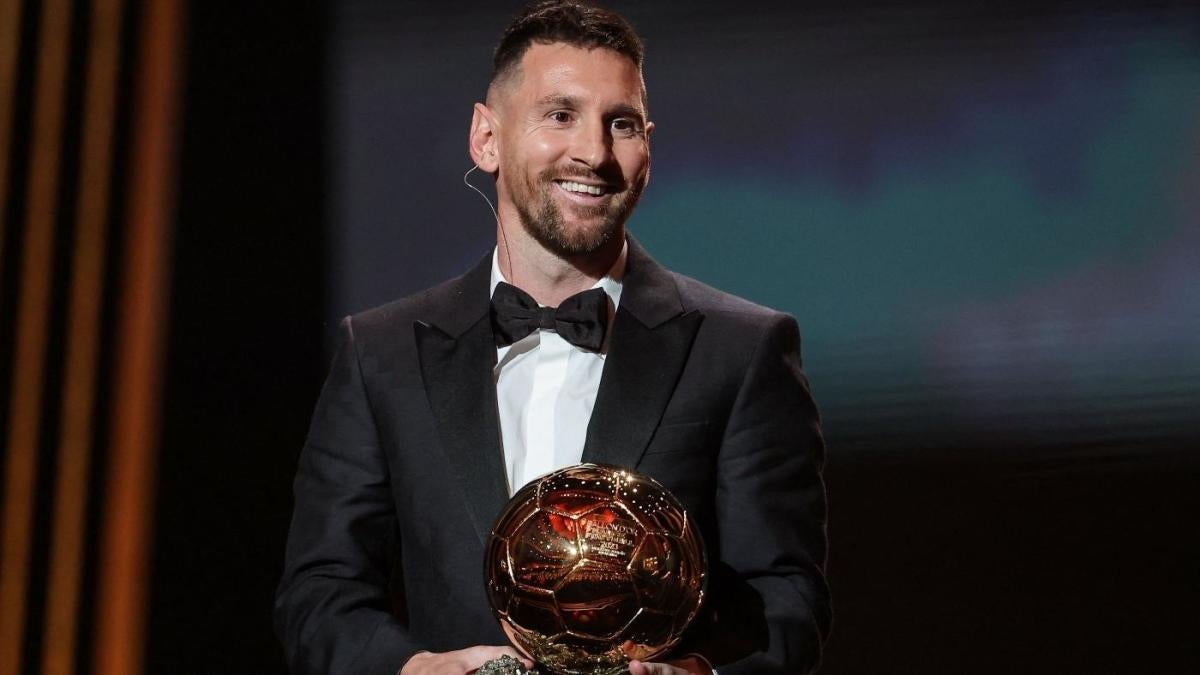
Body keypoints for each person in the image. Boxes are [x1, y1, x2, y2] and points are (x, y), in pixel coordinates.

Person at [273, 2, 831, 674]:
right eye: (560, 114)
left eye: (619, 124)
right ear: (486, 138)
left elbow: (786, 601)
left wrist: (695, 673)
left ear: (648, 148)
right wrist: (415, 668)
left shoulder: (741, 350)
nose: (593, 152)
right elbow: (319, 594)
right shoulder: (380, 353)